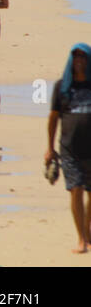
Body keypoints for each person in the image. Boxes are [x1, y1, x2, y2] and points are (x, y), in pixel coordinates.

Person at [46, 43, 91, 253]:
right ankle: (81, 238)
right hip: (69, 149)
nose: (80, 61)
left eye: (84, 57)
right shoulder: (62, 87)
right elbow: (53, 118)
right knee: (76, 190)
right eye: (77, 57)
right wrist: (49, 148)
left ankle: (87, 232)